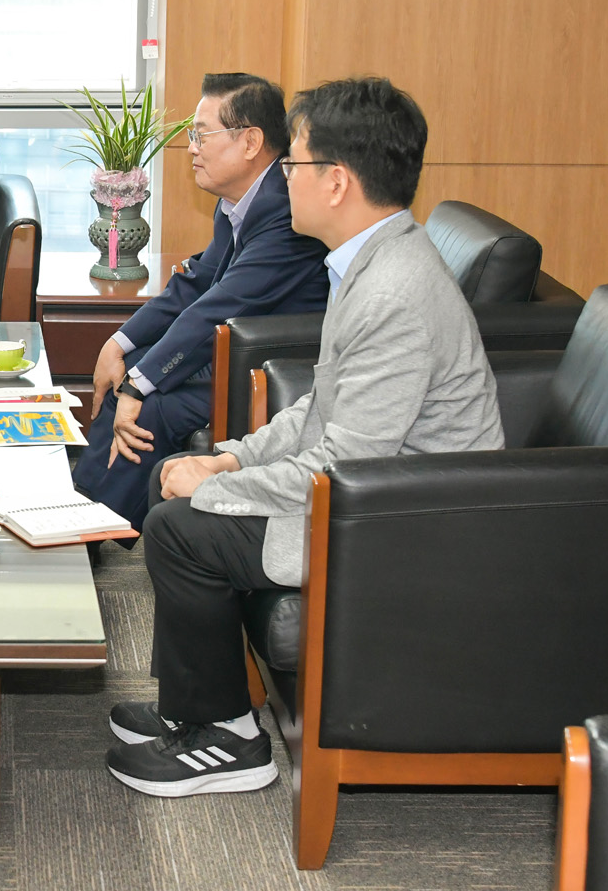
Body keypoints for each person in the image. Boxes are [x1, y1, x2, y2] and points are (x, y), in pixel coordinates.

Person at [105, 77, 504, 798]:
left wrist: (219, 485)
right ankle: (194, 709)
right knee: (182, 490)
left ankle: (231, 738)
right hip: (373, 496)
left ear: (337, 181)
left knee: (179, 526)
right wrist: (229, 457)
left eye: (294, 163)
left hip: (406, 525)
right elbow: (320, 407)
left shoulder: (393, 293)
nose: (283, 176)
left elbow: (346, 463)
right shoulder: (370, 261)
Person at [71, 73, 329, 530]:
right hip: (234, 350)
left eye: (201, 135)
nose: (191, 148)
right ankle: (81, 515)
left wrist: (138, 386)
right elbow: (196, 284)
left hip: (274, 364)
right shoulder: (242, 199)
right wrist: (119, 342)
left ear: (250, 141)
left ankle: (90, 529)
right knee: (133, 371)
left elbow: (222, 304)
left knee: (149, 404)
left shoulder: (284, 208)